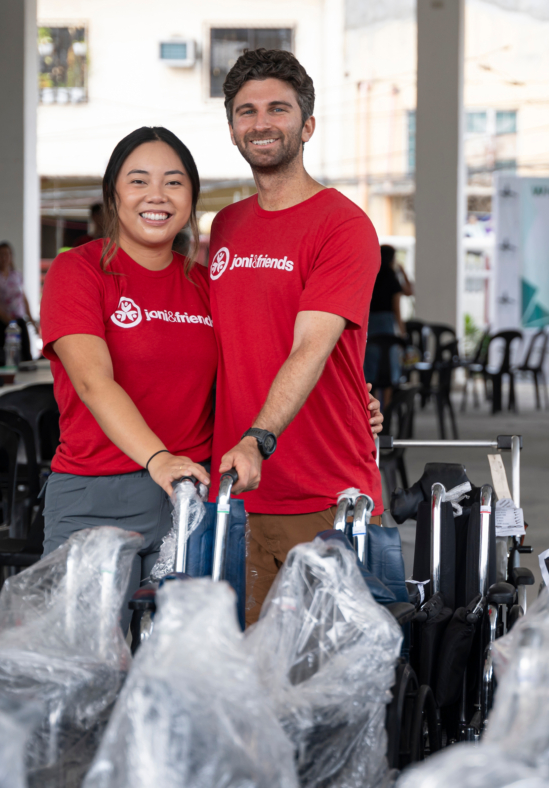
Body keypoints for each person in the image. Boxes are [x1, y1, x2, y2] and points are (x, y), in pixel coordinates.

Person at [210, 48, 386, 623]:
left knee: (322, 694)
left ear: (307, 125)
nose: (261, 122)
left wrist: (259, 437)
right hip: (235, 496)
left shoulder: (342, 225)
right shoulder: (225, 226)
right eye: (246, 110)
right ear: (233, 127)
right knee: (241, 684)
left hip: (324, 494)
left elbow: (314, 344)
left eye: (278, 109)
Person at [40, 126, 219, 622]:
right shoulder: (79, 271)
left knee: (172, 675)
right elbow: (94, 381)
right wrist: (158, 458)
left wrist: (355, 404)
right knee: (86, 671)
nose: (156, 196)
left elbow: (252, 371)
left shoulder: (206, 287)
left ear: (191, 198)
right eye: (139, 181)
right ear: (113, 194)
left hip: (186, 501)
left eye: (174, 182)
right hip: (94, 496)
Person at [0, 242, 37, 361]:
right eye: (1, 255)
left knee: (25, 354)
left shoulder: (16, 274)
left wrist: (30, 318)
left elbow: (23, 298)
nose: (4, 258)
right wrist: (5, 317)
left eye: (7, 254)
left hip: (17, 320)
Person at [364, 244, 408, 387]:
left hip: (369, 322)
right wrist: (402, 331)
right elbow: (399, 304)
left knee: (371, 364)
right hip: (385, 323)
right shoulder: (391, 276)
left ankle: (370, 401)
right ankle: (387, 405)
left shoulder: (370, 273)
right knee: (388, 366)